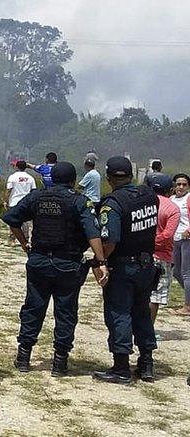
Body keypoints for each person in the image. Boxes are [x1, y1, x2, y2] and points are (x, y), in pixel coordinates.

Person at [2, 162, 105, 376]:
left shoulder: (37, 197)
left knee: (33, 307)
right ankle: (60, 361)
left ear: (49, 179)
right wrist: (101, 261)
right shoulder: (79, 201)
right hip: (67, 264)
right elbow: (92, 233)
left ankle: (24, 355)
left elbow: (12, 218)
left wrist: (24, 243)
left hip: (39, 261)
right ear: (74, 181)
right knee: (66, 311)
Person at [92, 156, 159, 384]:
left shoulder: (113, 203)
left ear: (109, 177)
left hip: (123, 266)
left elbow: (110, 240)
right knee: (142, 312)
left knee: (119, 313)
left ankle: (121, 367)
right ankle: (147, 363)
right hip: (147, 265)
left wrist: (99, 261)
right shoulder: (148, 195)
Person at [146, 174, 178, 326]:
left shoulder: (143, 203)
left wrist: (143, 243)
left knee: (141, 293)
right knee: (156, 295)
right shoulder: (172, 208)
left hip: (140, 253)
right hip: (161, 255)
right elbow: (167, 235)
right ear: (170, 190)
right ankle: (148, 329)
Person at [171, 173, 190, 316]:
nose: (181, 187)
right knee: (176, 272)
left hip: (187, 239)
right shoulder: (171, 199)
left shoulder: (189, 198)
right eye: (178, 184)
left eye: (184, 184)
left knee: (186, 273)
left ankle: (187, 306)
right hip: (175, 239)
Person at [6, 161, 37, 246]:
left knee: (13, 222)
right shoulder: (30, 178)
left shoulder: (12, 177)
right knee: (26, 222)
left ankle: (11, 239)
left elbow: (9, 190)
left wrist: (6, 201)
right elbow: (33, 191)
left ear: (16, 167)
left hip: (14, 201)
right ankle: (26, 239)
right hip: (26, 202)